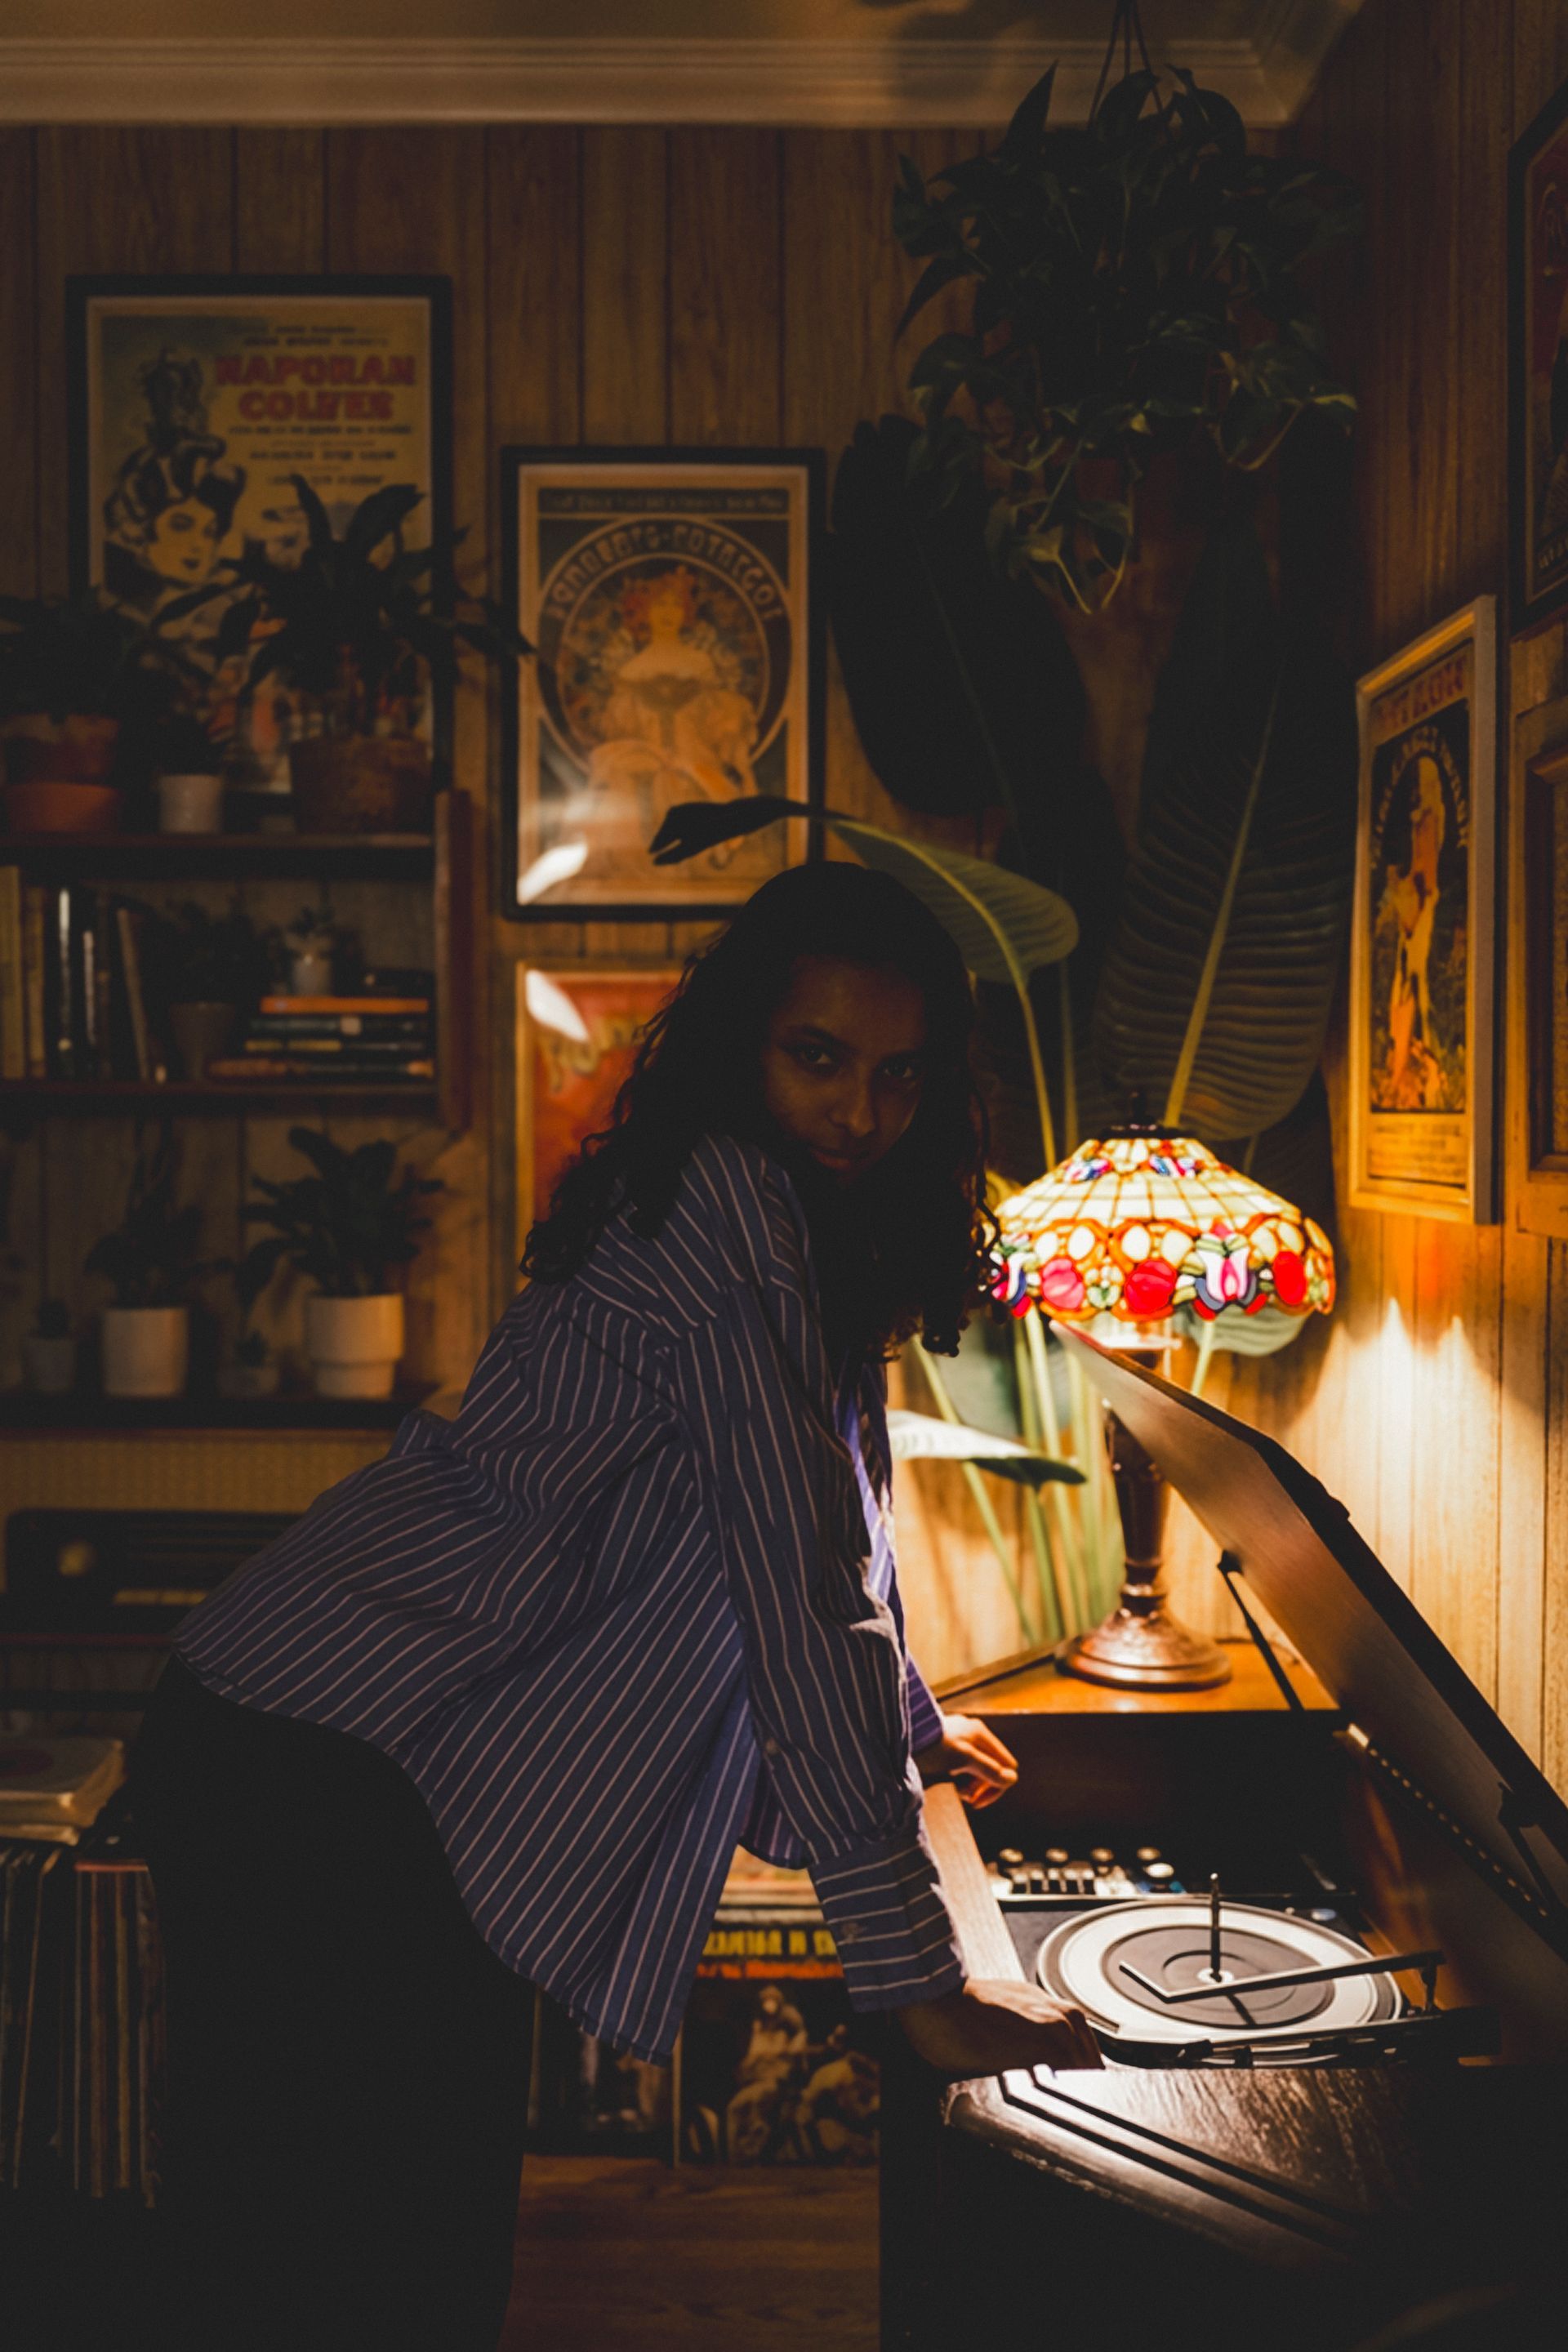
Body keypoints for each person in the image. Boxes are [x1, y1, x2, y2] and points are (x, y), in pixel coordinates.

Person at [130, 860, 1099, 2352]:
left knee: (397, 2256)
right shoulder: (724, 1207)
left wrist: (906, 1720)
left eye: (899, 1076)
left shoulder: (798, 1223)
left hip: (370, 1763)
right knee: (329, 2266)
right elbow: (800, 1577)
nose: (860, 1113)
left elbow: (832, 1502)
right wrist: (916, 1985)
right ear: (741, 1051)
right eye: (818, 1058)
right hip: (320, 1755)